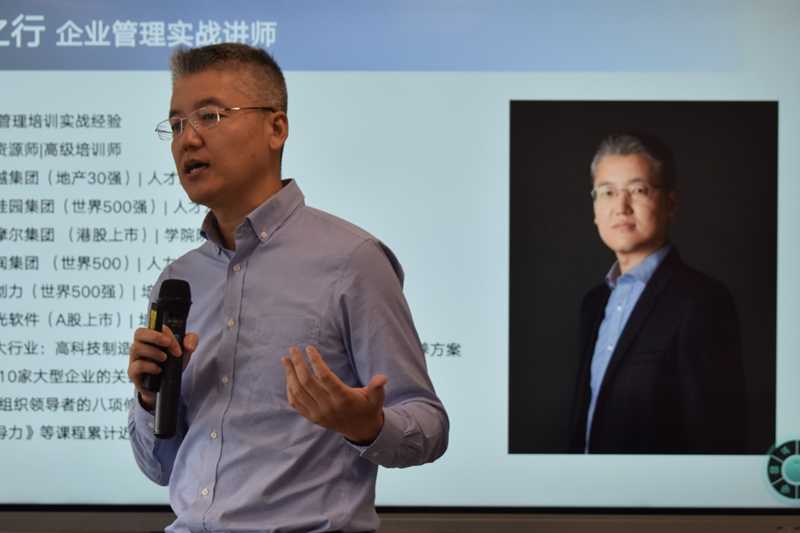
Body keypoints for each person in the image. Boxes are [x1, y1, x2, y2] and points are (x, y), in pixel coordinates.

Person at [127, 43, 448, 532]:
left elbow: (428, 425)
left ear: (276, 128)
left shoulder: (352, 260)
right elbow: (160, 469)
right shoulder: (178, 281)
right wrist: (151, 400)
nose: (187, 139)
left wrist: (369, 426)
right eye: (175, 125)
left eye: (210, 116)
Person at [569, 132, 746, 454]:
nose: (621, 207)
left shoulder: (702, 301)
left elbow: (715, 437)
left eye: (638, 190)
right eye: (607, 192)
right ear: (594, 209)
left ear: (670, 204)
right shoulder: (593, 303)